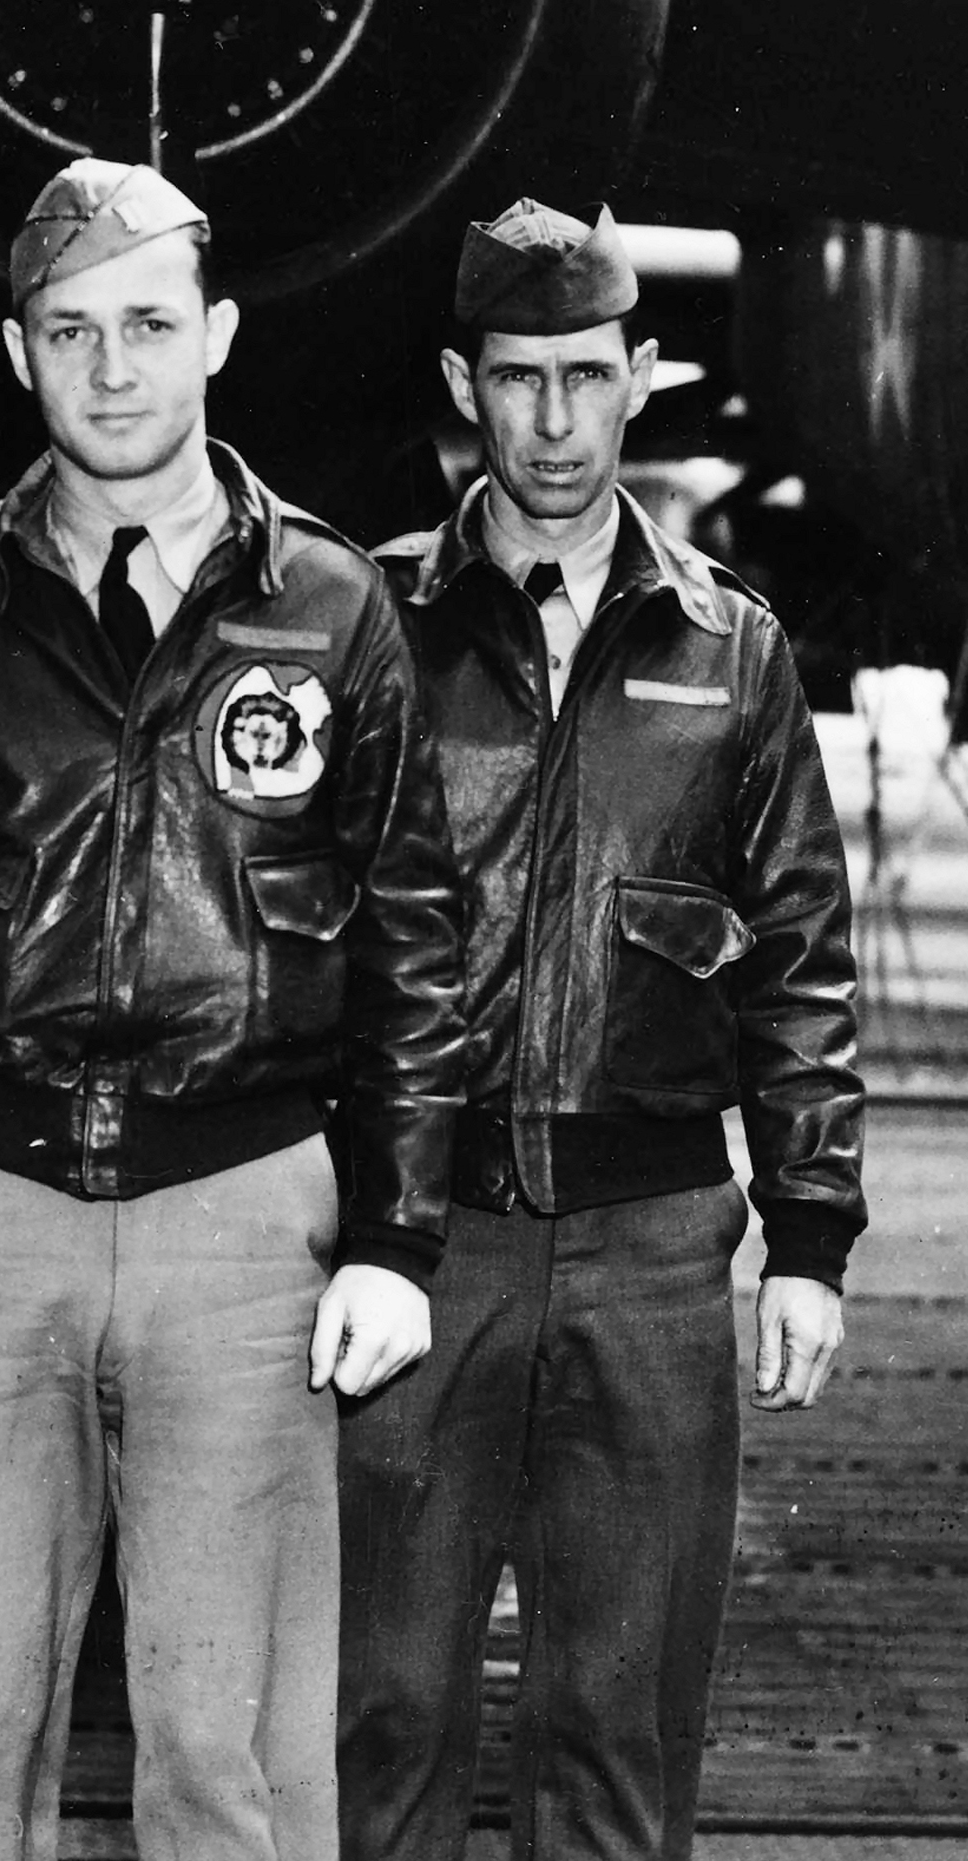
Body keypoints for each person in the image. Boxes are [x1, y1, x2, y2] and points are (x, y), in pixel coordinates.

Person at [0, 158, 468, 1861]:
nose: (109, 366)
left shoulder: (328, 607)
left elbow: (413, 943)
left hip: (240, 1225)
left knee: (225, 1761)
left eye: (147, 323)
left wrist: (393, 1233)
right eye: (67, 330)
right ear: (17, 355)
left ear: (215, 335)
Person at [339, 198, 866, 1861]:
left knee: (617, 1719)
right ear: (459, 384)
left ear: (643, 375)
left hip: (646, 1246)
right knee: (378, 1710)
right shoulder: (360, 623)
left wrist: (806, 1232)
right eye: (514, 378)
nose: (551, 421)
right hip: (416, 1241)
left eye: (583, 375)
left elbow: (795, 954)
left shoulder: (729, 645)